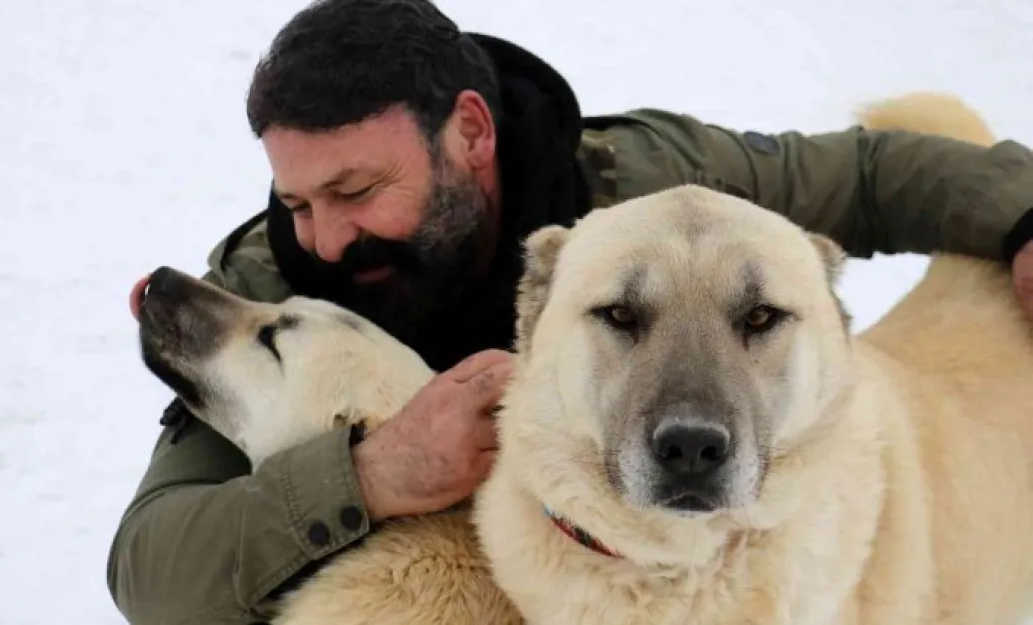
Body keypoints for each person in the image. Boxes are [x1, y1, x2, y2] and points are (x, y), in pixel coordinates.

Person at [105, 0, 1033, 622]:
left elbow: (865, 176)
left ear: (471, 132)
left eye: (357, 188)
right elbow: (152, 567)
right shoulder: (279, 281)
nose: (330, 237)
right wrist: (371, 474)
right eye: (301, 200)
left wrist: (1022, 218)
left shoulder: (651, 194)